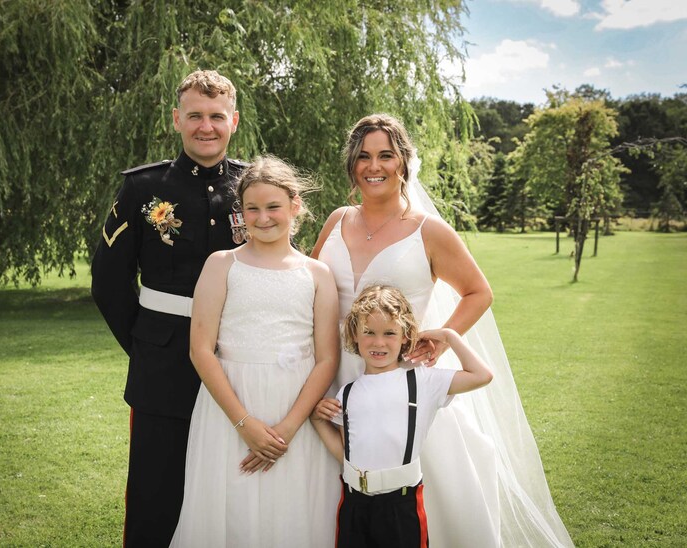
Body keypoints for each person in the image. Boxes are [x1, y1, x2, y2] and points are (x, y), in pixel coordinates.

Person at [311, 114, 574, 547]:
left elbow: (477, 292)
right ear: (352, 164)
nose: (373, 166)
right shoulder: (337, 220)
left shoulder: (428, 231)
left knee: (424, 501)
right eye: (363, 156)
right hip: (336, 376)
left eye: (385, 155)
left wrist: (439, 336)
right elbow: (312, 287)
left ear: (404, 162)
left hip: (402, 382)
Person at [91, 69, 246, 546]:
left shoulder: (253, 185)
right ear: (176, 119)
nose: (206, 126)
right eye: (195, 115)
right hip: (164, 363)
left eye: (216, 116)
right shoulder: (142, 189)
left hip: (239, 357)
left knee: (234, 485)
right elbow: (109, 282)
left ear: (233, 121)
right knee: (156, 494)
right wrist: (146, 344)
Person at [170, 155, 342, 548]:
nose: (263, 217)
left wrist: (287, 427)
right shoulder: (221, 264)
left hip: (295, 410)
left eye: (273, 207)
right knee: (234, 505)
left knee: (295, 509)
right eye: (252, 208)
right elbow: (201, 350)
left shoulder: (317, 274)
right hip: (231, 406)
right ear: (241, 211)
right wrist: (244, 423)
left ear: (295, 205)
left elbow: (327, 358)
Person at [311, 284, 493, 548]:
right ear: (355, 334)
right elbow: (345, 454)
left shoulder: (422, 382)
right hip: (354, 505)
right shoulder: (347, 393)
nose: (378, 342)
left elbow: (482, 375)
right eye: (368, 332)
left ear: (406, 335)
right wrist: (318, 421)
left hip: (401, 505)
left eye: (389, 333)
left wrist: (449, 336)